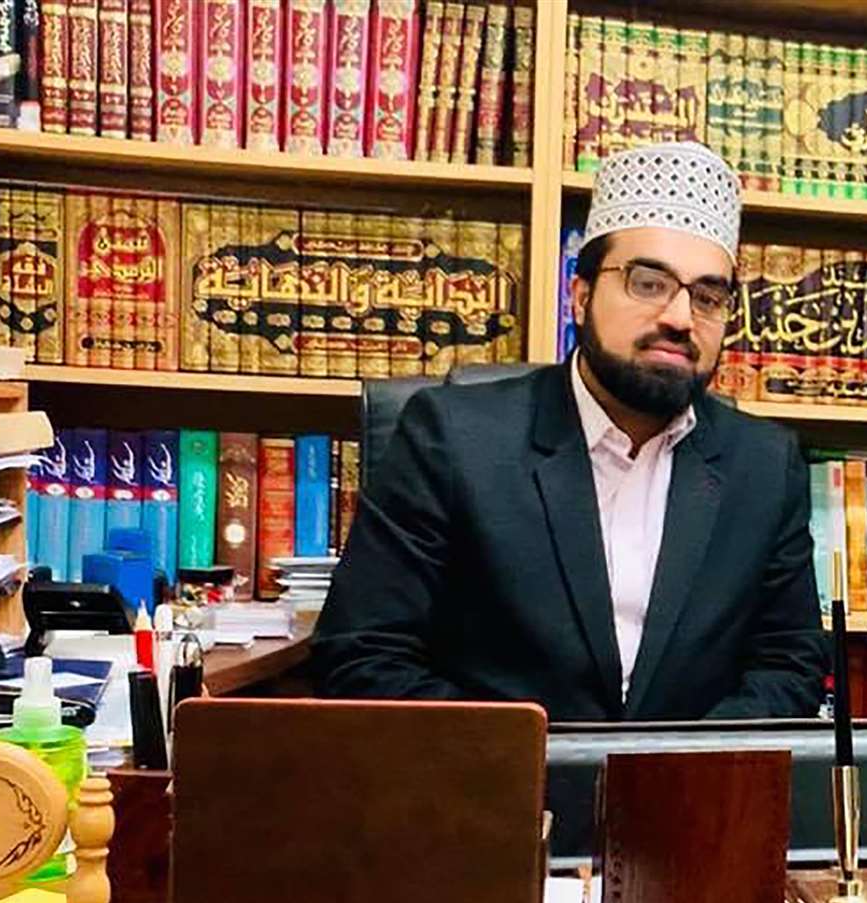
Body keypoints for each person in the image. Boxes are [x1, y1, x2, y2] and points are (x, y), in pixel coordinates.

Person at [313, 142, 827, 720]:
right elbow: (363, 656)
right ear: (579, 297)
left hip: (690, 802)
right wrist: (525, 768)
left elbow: (790, 666)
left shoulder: (764, 465)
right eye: (648, 283)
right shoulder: (452, 439)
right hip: (493, 800)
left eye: (708, 297)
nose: (681, 318)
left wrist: (680, 775)